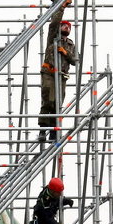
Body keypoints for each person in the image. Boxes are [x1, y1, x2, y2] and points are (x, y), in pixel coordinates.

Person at [38, 8, 79, 143]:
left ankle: (54, 131)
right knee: (48, 100)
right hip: (49, 73)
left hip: (61, 76)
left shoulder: (70, 44)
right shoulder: (53, 39)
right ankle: (43, 130)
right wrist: (61, 9)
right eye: (64, 25)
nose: (66, 27)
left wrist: (65, 52)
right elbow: (53, 25)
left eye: (68, 26)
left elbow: (75, 61)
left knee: (57, 103)